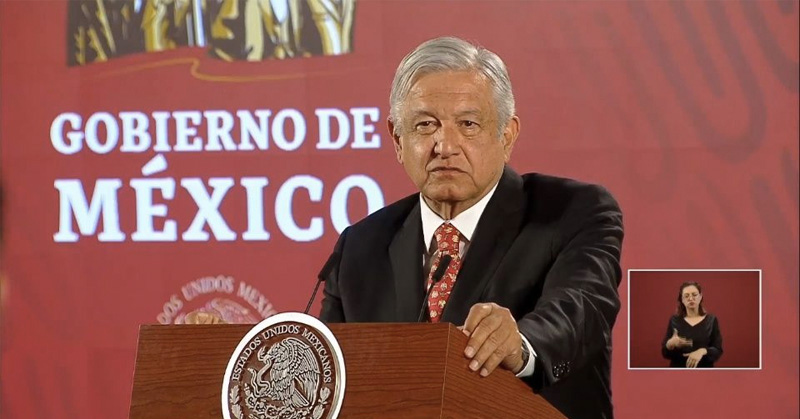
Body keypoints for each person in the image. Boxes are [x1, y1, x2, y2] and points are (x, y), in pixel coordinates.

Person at [319, 36, 624, 419]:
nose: (445, 145)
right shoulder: (361, 245)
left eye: (468, 124)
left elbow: (581, 309)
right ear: (397, 139)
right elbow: (327, 374)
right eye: (425, 125)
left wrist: (522, 345)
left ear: (507, 135)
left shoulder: (572, 212)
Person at [662, 281, 723, 368]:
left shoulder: (711, 320)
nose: (691, 298)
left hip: (704, 372)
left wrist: (702, 351)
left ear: (700, 297)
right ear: (682, 299)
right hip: (678, 371)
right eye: (686, 296)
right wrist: (670, 344)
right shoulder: (674, 320)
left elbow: (718, 350)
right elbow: (664, 353)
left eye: (694, 295)